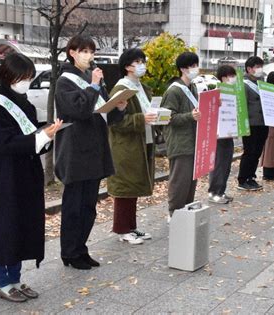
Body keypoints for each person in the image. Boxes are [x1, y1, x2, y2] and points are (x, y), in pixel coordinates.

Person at [0, 53, 63, 302]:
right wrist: (40, 138)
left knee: (21, 226)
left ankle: (15, 280)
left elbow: (32, 137)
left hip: (25, 175)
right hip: (3, 178)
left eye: (28, 77)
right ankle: (1, 282)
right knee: (3, 227)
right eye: (21, 77)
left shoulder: (24, 103)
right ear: (7, 76)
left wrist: (46, 136)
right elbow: (5, 144)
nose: (25, 82)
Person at [55, 34, 127, 269]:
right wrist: (94, 86)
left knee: (88, 206)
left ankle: (81, 248)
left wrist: (119, 108)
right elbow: (78, 110)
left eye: (91, 51)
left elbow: (103, 112)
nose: (89, 56)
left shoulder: (92, 78)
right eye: (83, 51)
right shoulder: (65, 81)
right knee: (74, 206)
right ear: (72, 53)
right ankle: (70, 252)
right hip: (76, 151)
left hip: (95, 150)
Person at [108, 48, 156, 244]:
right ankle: (122, 229)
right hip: (126, 146)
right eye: (138, 61)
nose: (142, 65)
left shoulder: (140, 87)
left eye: (143, 61)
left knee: (133, 187)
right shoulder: (122, 89)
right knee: (125, 188)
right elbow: (116, 121)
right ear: (127, 66)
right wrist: (141, 119)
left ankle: (131, 227)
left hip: (140, 141)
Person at [160, 51, 201, 220]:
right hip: (180, 142)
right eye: (192, 66)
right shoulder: (174, 91)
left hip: (193, 141)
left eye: (196, 65)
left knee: (191, 181)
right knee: (180, 180)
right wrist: (190, 116)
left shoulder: (193, 87)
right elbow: (167, 117)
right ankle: (174, 212)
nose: (195, 69)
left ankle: (184, 211)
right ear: (183, 69)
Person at [237, 56, 268, 191]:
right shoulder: (243, 84)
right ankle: (243, 179)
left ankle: (251, 176)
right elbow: (241, 105)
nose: (260, 69)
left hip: (263, 123)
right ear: (249, 69)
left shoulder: (262, 83)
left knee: (257, 152)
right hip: (250, 123)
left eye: (261, 66)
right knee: (249, 151)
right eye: (257, 67)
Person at [208, 65, 236, 204]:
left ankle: (221, 190)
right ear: (223, 77)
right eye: (231, 76)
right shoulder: (215, 92)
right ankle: (214, 192)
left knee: (226, 164)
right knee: (218, 163)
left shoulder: (234, 93)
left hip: (229, 134)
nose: (233, 79)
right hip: (218, 135)